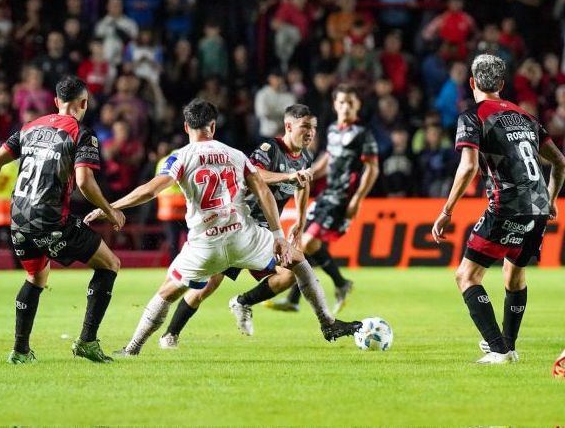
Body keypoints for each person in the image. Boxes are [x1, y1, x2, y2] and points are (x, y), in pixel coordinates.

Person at [86, 99, 360, 357]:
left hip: (206, 244)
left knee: (168, 292)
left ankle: (133, 348)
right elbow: (263, 190)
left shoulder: (180, 157)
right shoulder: (235, 154)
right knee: (298, 260)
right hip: (243, 235)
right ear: (214, 127)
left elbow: (149, 190)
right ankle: (327, 323)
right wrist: (278, 236)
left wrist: (111, 207)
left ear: (186, 127)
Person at [0, 76, 126, 364]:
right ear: (84, 103)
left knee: (36, 276)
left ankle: (20, 351)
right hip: (50, 220)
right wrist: (110, 210)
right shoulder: (81, 132)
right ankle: (87, 341)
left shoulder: (30, 127)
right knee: (110, 263)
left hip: (18, 219)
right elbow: (85, 182)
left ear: (55, 102)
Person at [432, 54, 565, 364]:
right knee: (514, 276)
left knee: (467, 275)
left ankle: (498, 349)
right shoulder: (526, 116)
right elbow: (559, 161)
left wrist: (447, 210)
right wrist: (551, 198)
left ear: (472, 83)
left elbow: (467, 168)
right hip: (538, 207)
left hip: (507, 206)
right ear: (503, 85)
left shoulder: (474, 116)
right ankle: (510, 345)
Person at [158, 104, 319, 348]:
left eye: (314, 128)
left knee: (288, 275)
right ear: (289, 126)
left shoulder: (305, 156)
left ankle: (242, 302)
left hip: (263, 230)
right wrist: (286, 177)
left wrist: (300, 217)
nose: (311, 133)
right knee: (207, 287)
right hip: (239, 223)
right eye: (306, 126)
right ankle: (170, 334)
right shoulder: (269, 148)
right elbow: (255, 175)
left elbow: (303, 183)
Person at [269, 84, 379, 313]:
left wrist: (357, 199)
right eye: (341, 102)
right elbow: (328, 159)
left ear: (357, 105)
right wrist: (310, 173)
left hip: (342, 199)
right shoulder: (332, 130)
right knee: (307, 244)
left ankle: (332, 286)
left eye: (350, 102)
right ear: (335, 104)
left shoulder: (363, 133)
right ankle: (325, 289)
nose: (346, 106)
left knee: (308, 243)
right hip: (326, 195)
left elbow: (372, 169)